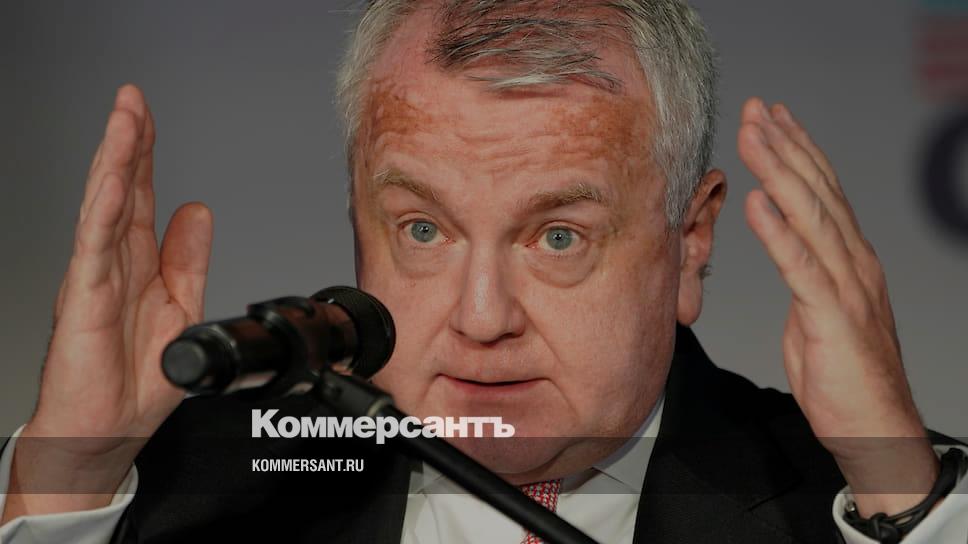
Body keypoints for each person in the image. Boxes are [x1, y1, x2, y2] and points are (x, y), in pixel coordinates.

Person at [1, 1, 966, 542]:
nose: (480, 317)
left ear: (692, 239)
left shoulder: (861, 503)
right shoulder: (185, 494)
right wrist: (67, 482)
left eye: (558, 237)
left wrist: (900, 495)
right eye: (423, 229)